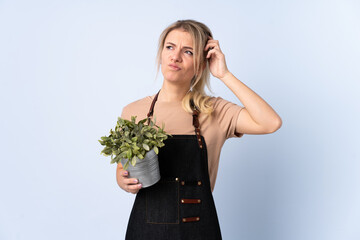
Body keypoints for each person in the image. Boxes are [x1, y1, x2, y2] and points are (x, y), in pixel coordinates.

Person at [116, 19, 282, 239]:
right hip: (146, 231)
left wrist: (224, 75)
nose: (175, 57)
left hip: (198, 231)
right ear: (161, 53)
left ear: (202, 64)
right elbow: (122, 170)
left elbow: (271, 122)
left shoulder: (214, 111)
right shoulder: (133, 111)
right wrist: (123, 181)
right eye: (170, 47)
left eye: (188, 52)